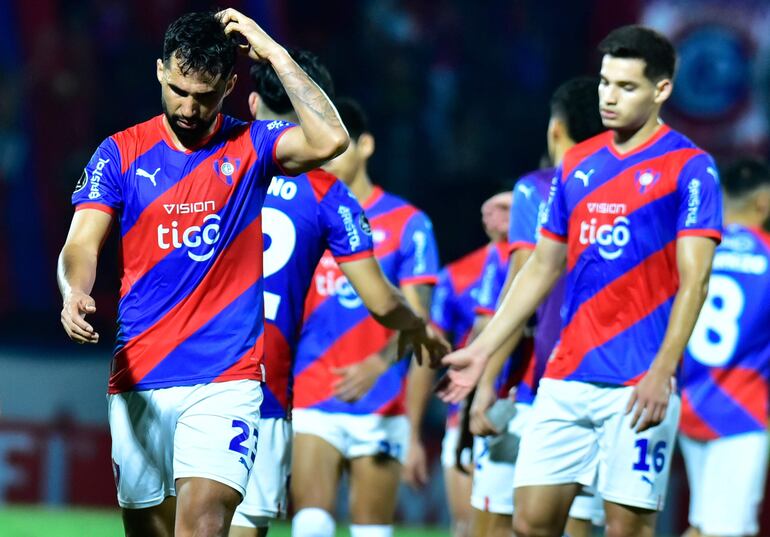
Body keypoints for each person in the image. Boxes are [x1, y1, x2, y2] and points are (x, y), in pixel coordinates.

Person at [58, 9, 350, 537]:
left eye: (206, 95)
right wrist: (74, 290)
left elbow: (331, 140)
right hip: (139, 376)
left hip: (225, 377)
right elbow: (81, 241)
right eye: (178, 90)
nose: (189, 108)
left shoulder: (253, 146)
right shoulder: (120, 153)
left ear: (232, 86)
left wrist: (275, 53)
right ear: (159, 71)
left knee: (203, 526)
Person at [438, 25, 723, 537]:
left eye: (627, 86)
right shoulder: (577, 163)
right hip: (566, 377)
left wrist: (663, 370)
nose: (609, 97)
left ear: (662, 90)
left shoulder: (691, 168)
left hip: (637, 382)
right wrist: (483, 351)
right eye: (604, 83)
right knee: (529, 523)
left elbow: (695, 279)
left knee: (625, 531)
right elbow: (541, 268)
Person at [230, 49, 448, 537]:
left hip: (187, 370)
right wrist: (418, 329)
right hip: (277, 387)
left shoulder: (217, 167)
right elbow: (386, 302)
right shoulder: (327, 195)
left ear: (250, 103)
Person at [290, 98, 440, 537]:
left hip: (382, 403)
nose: (329, 158)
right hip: (314, 391)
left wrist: (377, 367)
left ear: (366, 145)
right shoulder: (305, 215)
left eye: (340, 147)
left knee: (371, 531)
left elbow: (420, 323)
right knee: (311, 524)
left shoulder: (408, 223)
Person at [467, 77, 606, 537]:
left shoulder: (538, 188)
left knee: (498, 524)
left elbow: (519, 289)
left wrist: (485, 382)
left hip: (534, 386)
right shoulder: (626, 191)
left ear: (556, 129)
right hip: (608, 381)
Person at [679, 158, 770, 537]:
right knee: (724, 531)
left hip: (687, 404)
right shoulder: (766, 252)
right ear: (764, 202)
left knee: (703, 525)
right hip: (740, 410)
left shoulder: (692, 252)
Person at [430, 191, 512, 537]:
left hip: (524, 403)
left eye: (505, 207)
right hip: (470, 410)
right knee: (466, 527)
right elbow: (434, 347)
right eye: (487, 208)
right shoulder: (458, 275)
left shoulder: (553, 262)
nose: (491, 214)